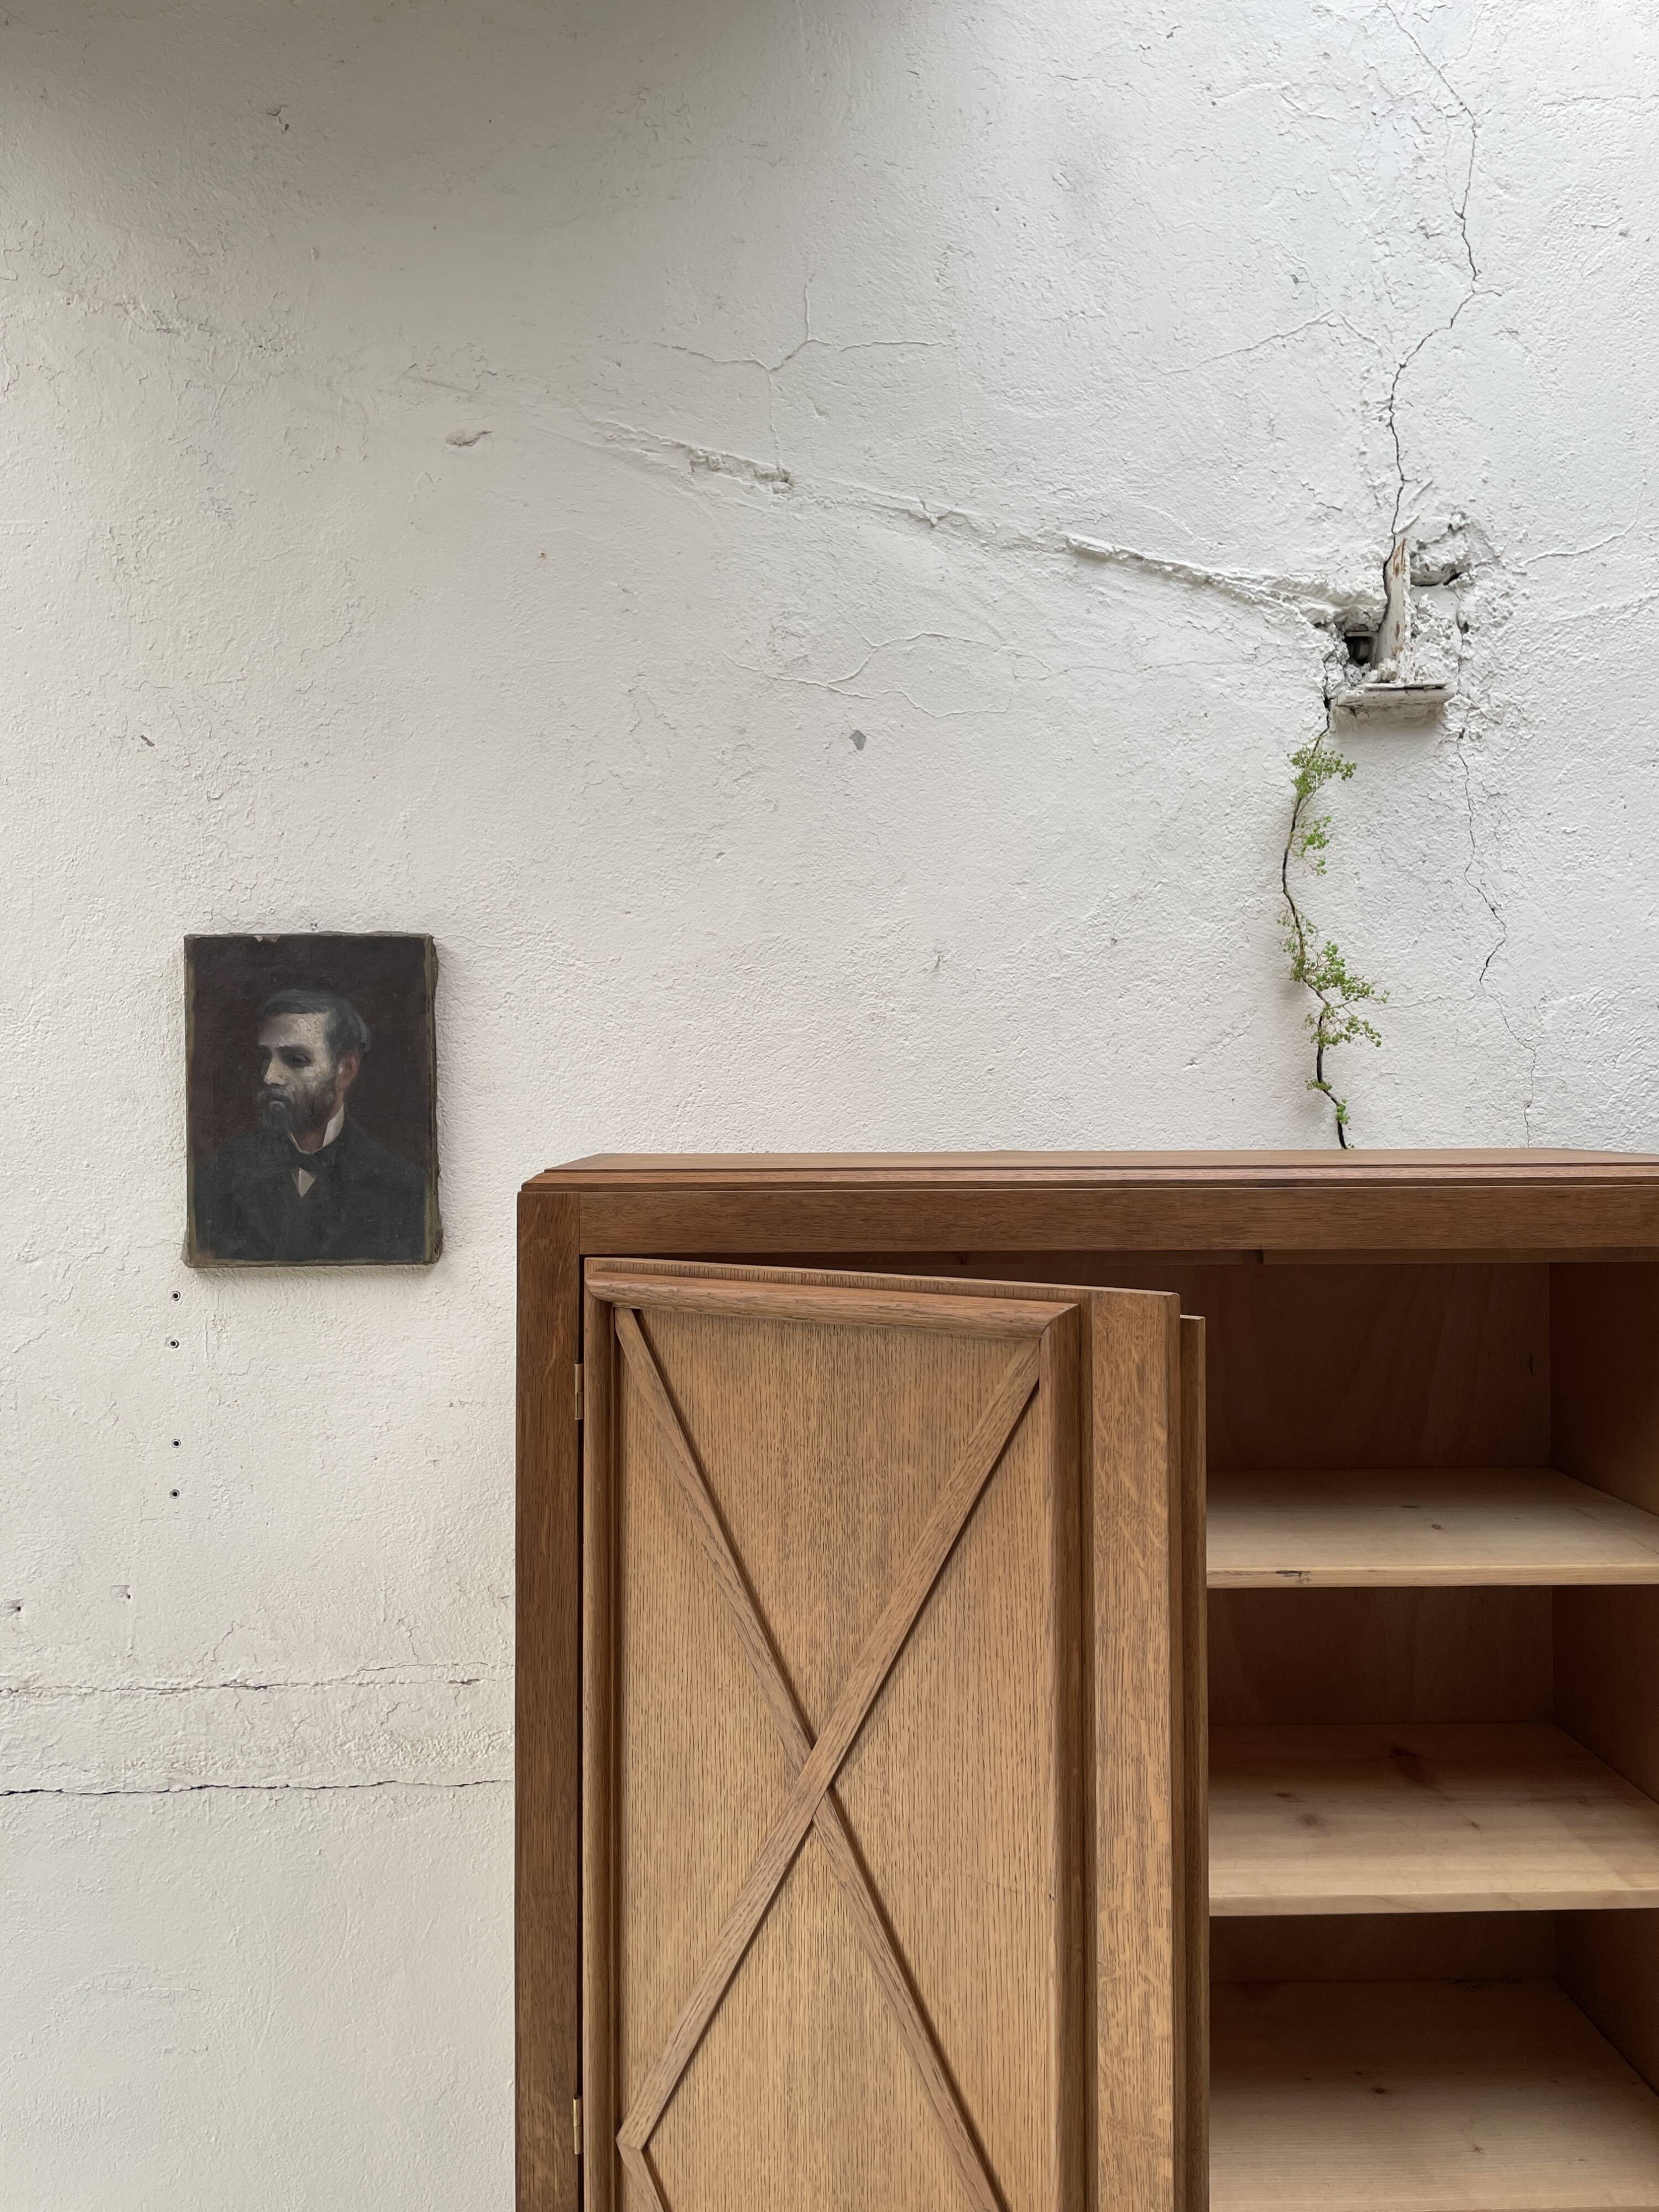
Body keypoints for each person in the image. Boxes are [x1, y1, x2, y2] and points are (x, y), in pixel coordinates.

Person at [192, 987, 430, 1263]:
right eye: (266, 1057)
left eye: (296, 1060)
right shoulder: (218, 1175)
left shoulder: (403, 1186)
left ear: (345, 1071)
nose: (270, 1077)